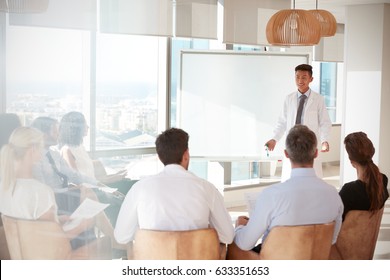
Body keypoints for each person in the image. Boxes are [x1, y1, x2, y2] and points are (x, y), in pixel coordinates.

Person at [0, 127, 110, 258]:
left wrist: (57, 221)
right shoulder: (40, 191)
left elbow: (31, 231)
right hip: (49, 259)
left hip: (22, 258)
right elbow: (55, 242)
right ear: (33, 149)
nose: (43, 150)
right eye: (41, 146)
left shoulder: (4, 187)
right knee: (103, 243)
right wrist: (83, 225)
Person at [114, 127, 234, 248]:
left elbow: (121, 236)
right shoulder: (207, 188)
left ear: (160, 157)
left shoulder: (139, 188)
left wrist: (144, 232)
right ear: (186, 154)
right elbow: (228, 237)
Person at [234, 125, 343, 254]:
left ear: (286, 154)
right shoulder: (333, 195)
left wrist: (240, 226)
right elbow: (332, 240)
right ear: (316, 153)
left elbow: (245, 243)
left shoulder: (271, 196)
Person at [265, 64, 332, 181]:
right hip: (293, 142)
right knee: (290, 177)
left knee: (311, 178)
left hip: (309, 143)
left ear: (311, 79)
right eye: (297, 77)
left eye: (304, 77)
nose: (300, 80)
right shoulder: (289, 98)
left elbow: (324, 122)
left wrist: (325, 140)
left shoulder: (318, 99)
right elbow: (282, 122)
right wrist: (274, 139)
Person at [339, 132, 389, 221]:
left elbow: (335, 222)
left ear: (351, 161)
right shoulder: (383, 180)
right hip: (371, 235)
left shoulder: (349, 192)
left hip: (347, 235)